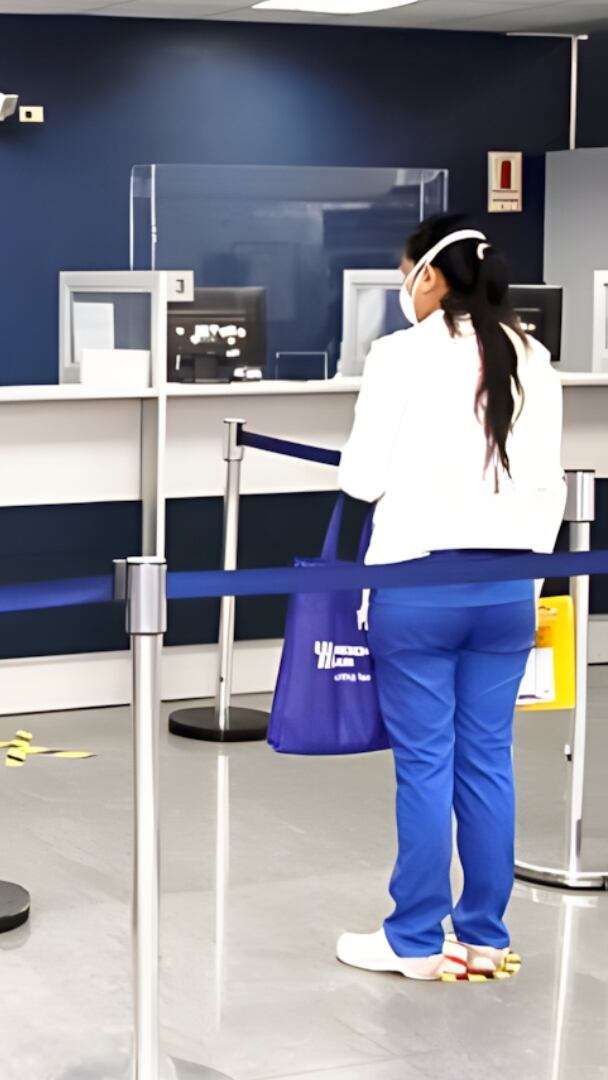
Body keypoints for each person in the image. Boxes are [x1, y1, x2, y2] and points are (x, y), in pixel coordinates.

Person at [336, 214, 564, 980]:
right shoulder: (534, 356)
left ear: (428, 275)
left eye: (407, 273)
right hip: (508, 589)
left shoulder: (399, 355)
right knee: (489, 761)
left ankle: (415, 939)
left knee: (426, 762)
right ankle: (484, 935)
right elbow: (549, 489)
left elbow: (361, 480)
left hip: (418, 585)